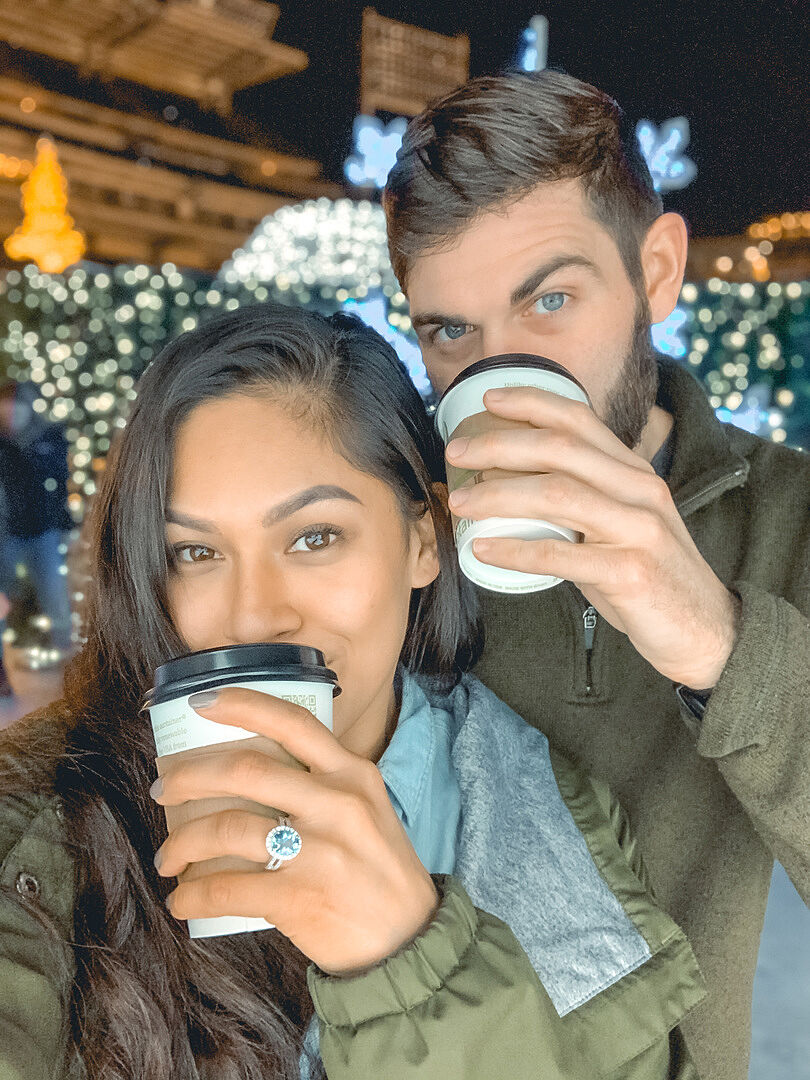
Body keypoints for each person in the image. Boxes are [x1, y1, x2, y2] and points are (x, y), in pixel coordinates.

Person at [0, 304, 704, 1080]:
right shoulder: (35, 823)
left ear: (424, 540)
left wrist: (409, 972)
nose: (252, 615)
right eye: (196, 551)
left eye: (313, 537)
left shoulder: (556, 817)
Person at [383, 69, 810, 1080]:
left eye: (551, 298)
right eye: (451, 331)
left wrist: (720, 641)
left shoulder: (788, 514)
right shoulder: (388, 520)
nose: (500, 369)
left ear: (658, 272)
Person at [0, 380, 74, 650]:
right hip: (7, 537)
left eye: (18, 408)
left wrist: (66, 526)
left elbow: (59, 486)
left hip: (44, 533)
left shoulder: (48, 438)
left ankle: (66, 655)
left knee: (55, 598)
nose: (12, 414)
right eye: (7, 408)